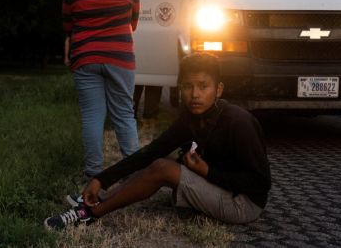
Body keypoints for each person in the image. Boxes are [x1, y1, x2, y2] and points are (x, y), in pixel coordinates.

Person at [44, 53, 272, 230]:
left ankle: (90, 215)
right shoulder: (191, 117)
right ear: (179, 87)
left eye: (203, 86)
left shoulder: (239, 122)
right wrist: (102, 179)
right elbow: (152, 152)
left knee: (164, 168)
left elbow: (261, 184)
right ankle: (99, 197)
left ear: (218, 89)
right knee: (160, 161)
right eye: (187, 86)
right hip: (221, 187)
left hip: (244, 204)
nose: (194, 94)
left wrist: (208, 172)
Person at [62, 0, 140, 180]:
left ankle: (94, 172)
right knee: (124, 115)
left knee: (92, 116)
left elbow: (68, 26)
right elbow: (133, 24)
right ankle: (133, 172)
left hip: (85, 58)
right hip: (120, 59)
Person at [133, 0, 163, 119]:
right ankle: (150, 112)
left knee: (134, 79)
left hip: (133, 40)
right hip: (155, 41)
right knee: (154, 79)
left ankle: (131, 111)